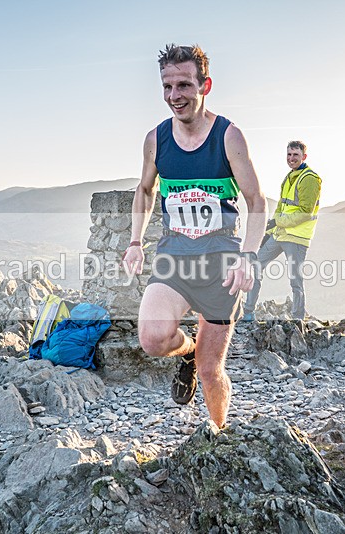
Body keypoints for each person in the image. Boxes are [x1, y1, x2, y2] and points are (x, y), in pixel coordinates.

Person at [122, 44, 266, 429]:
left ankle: (218, 435)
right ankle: (185, 351)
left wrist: (248, 256)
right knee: (153, 339)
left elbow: (255, 200)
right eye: (167, 86)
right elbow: (145, 189)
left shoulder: (228, 136)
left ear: (205, 86)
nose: (174, 96)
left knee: (210, 370)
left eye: (184, 85)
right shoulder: (156, 140)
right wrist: (135, 241)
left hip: (221, 262)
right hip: (174, 256)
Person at [242, 141, 321, 321]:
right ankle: (248, 313)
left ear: (304, 157)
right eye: (289, 155)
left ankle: (297, 319)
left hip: (297, 238)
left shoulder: (309, 179)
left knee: (295, 281)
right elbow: (281, 206)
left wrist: (280, 221)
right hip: (280, 234)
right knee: (256, 267)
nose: (291, 158)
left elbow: (306, 213)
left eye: (295, 155)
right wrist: (269, 230)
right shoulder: (289, 177)